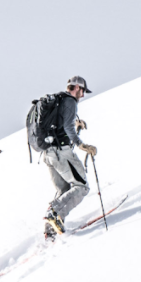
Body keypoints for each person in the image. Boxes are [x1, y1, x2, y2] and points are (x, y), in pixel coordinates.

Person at [38, 75, 98, 237]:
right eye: (83, 90)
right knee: (81, 186)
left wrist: (75, 127)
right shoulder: (70, 101)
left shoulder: (58, 101)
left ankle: (50, 229)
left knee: (63, 189)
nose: (83, 94)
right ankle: (55, 214)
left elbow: (60, 127)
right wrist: (81, 145)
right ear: (77, 87)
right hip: (61, 152)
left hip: (48, 153)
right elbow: (67, 127)